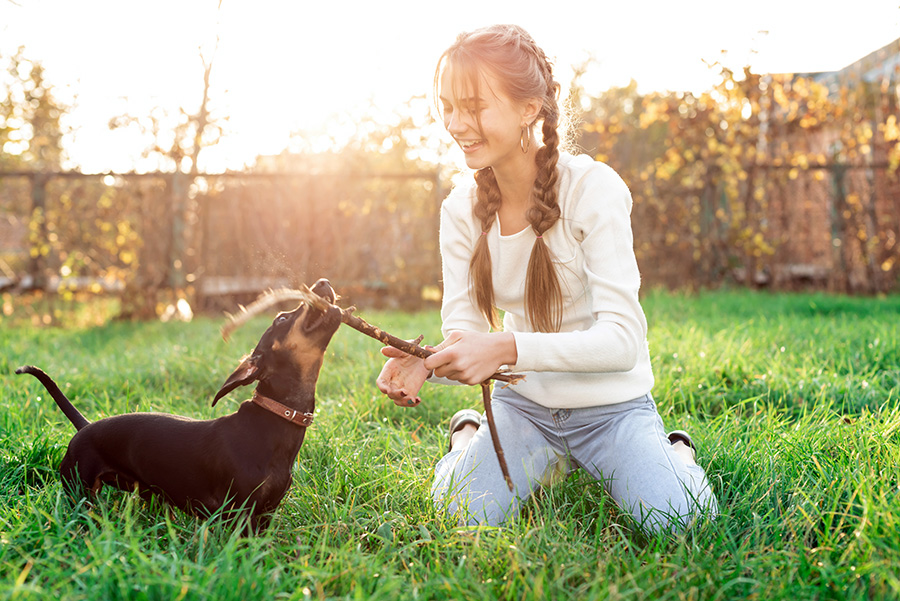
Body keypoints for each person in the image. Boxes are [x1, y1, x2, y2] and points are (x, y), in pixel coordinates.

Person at [376, 24, 717, 533]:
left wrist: (508, 347)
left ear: (529, 108)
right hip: (524, 408)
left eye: (473, 107)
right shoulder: (460, 210)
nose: (456, 123)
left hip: (611, 409)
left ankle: (675, 453)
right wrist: (427, 362)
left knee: (681, 523)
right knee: (459, 516)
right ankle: (467, 437)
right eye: (447, 107)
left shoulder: (593, 190)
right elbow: (466, 332)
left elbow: (623, 341)